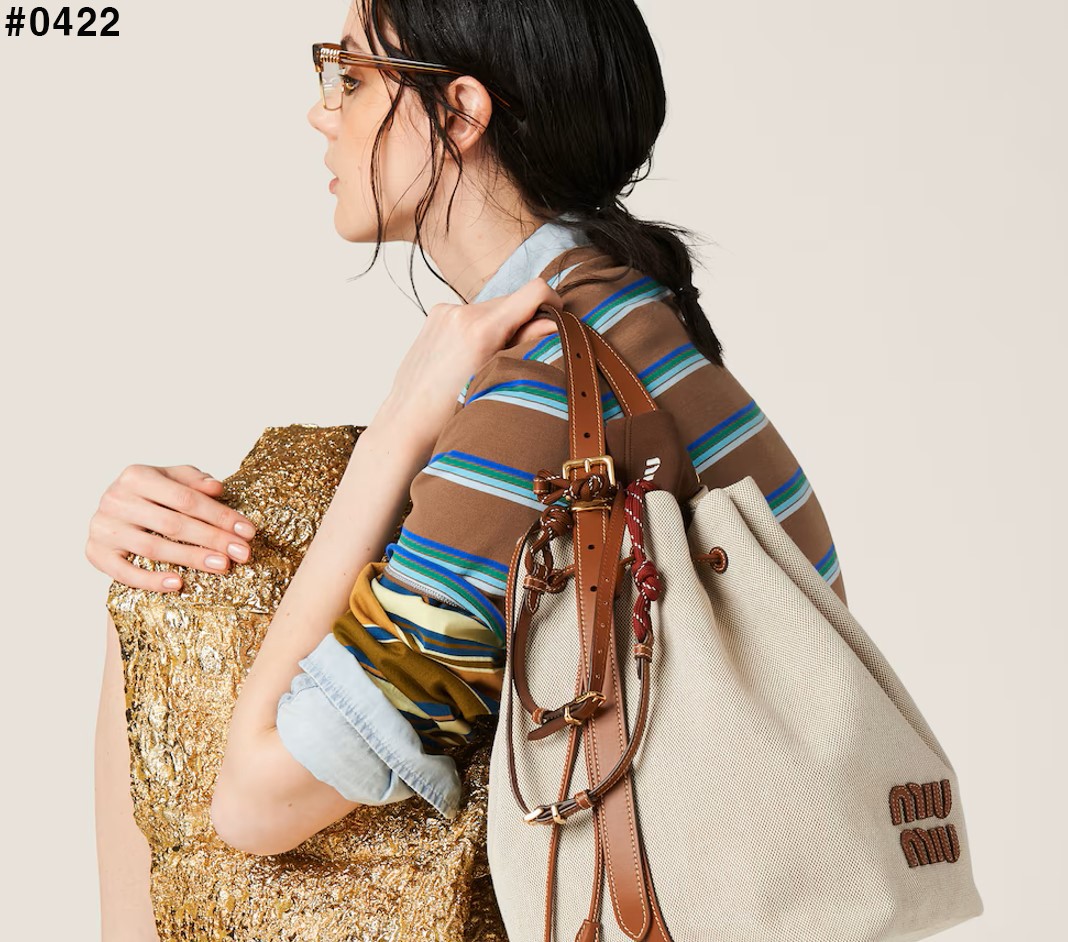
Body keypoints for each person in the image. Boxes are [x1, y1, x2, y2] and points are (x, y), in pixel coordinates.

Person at [89, 0, 848, 933]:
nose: (322, 111)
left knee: (173, 613)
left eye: (350, 76)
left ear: (459, 112)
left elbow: (252, 803)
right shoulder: (640, 325)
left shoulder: (541, 396)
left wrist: (399, 426)